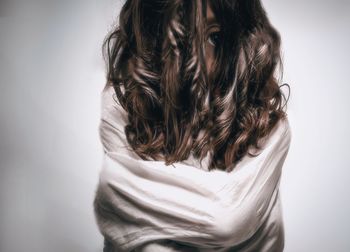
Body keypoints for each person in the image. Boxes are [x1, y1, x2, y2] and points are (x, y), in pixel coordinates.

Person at [93, 0, 291, 251]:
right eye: (182, 35)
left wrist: (144, 203)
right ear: (153, 34)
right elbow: (117, 199)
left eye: (214, 36)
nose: (196, 60)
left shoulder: (271, 127)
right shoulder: (122, 102)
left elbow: (225, 221)